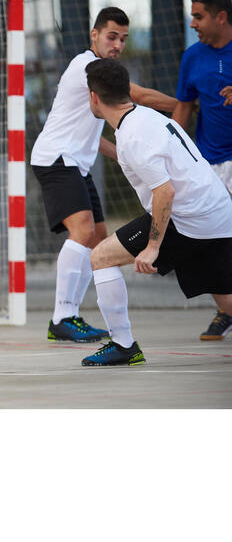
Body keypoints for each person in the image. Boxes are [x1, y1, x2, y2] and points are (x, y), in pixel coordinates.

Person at [30, 6, 177, 343]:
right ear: (93, 35)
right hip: (56, 159)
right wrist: (186, 104)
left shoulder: (97, 76)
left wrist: (120, 154)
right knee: (81, 232)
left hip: (75, 164)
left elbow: (91, 136)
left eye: (123, 39)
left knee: (97, 238)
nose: (118, 45)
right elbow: (135, 96)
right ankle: (63, 317)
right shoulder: (85, 65)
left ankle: (73, 317)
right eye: (112, 36)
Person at [79, 58, 232, 365]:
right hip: (218, 213)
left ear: (93, 96)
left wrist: (152, 247)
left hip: (189, 217)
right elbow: (138, 160)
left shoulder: (134, 135)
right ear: (128, 92)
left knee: (100, 257)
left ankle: (123, 345)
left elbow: (165, 191)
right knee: (225, 296)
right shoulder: (145, 118)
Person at [171, 0, 232, 342]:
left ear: (220, 16)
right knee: (207, 239)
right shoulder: (192, 57)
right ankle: (225, 310)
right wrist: (172, 151)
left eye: (199, 16)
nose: (193, 23)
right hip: (208, 164)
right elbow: (183, 107)